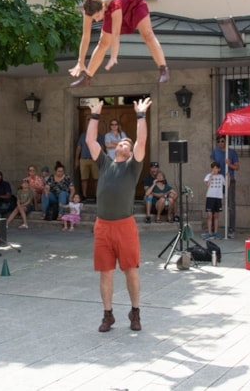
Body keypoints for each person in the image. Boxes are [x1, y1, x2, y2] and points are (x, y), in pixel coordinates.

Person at [86, 97, 151, 333]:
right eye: (121, 141)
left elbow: (142, 140)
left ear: (131, 150)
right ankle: (108, 315)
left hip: (125, 225)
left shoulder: (133, 167)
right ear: (114, 148)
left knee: (130, 270)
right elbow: (90, 140)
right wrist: (95, 115)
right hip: (103, 226)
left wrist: (141, 115)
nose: (123, 143)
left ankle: (135, 312)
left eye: (127, 142)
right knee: (105, 272)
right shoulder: (104, 163)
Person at [69, 0, 170, 86]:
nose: (97, 20)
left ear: (103, 7)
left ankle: (163, 69)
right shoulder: (89, 9)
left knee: (147, 34)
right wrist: (80, 62)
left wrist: (113, 56)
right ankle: (87, 78)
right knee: (103, 43)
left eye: (98, 16)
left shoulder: (115, 3)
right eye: (94, 18)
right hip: (110, 10)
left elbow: (116, 33)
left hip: (134, 4)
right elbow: (86, 36)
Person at [211, 135, 239, 239]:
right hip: (218, 181)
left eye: (222, 141)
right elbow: (212, 165)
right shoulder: (215, 151)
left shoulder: (232, 152)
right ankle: (213, 229)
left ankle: (231, 230)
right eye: (219, 141)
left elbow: (237, 167)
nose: (220, 143)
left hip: (229, 181)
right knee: (215, 204)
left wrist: (230, 164)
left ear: (226, 142)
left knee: (231, 206)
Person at [76, 124, 104, 201]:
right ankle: (84, 196)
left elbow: (102, 148)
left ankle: (97, 195)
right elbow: (79, 147)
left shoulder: (99, 136)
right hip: (83, 159)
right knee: (84, 179)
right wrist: (76, 159)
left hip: (95, 160)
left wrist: (101, 159)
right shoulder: (83, 135)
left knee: (97, 179)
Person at [203, 161, 226, 239]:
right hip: (210, 197)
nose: (214, 170)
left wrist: (228, 177)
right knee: (209, 215)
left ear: (219, 169)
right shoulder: (208, 175)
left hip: (218, 197)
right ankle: (209, 232)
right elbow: (208, 184)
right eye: (213, 168)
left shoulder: (221, 176)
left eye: (216, 168)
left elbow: (227, 185)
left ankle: (216, 232)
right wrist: (211, 176)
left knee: (216, 215)